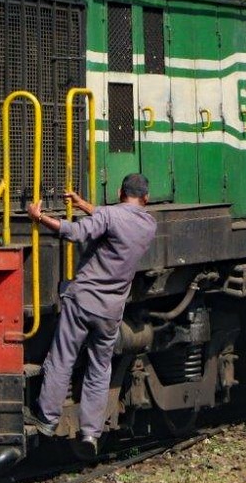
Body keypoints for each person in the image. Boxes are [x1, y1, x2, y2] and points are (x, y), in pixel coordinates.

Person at [24, 173, 156, 454]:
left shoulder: (109, 216)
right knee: (99, 369)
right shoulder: (148, 224)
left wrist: (40, 217)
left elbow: (75, 233)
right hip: (111, 311)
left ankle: (47, 420)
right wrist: (84, 204)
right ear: (146, 198)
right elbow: (114, 220)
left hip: (82, 301)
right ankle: (91, 433)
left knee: (62, 359)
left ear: (120, 191)